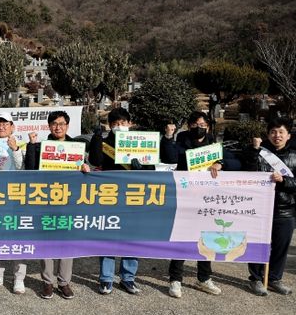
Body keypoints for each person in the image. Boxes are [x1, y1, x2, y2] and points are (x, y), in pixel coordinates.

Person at [160, 111, 240, 298]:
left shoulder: (214, 146)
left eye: (202, 125)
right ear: (189, 126)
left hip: (207, 199)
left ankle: (204, 278)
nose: (199, 128)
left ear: (208, 127)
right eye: (195, 125)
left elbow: (236, 162)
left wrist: (221, 163)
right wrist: (169, 137)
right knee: (182, 237)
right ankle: (175, 279)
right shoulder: (181, 141)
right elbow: (170, 157)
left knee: (207, 238)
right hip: (186, 197)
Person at [25, 110, 90, 300]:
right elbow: (30, 169)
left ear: (67, 126)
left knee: (66, 242)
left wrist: (86, 168)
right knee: (46, 242)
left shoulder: (77, 148)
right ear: (49, 126)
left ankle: (64, 282)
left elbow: (89, 169)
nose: (58, 127)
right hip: (45, 200)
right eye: (54, 123)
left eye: (61, 123)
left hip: (69, 201)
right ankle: (47, 282)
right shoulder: (42, 147)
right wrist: (32, 145)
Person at [88, 107, 146, 295]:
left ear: (130, 124)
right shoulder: (105, 142)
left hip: (134, 195)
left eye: (123, 123)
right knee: (109, 234)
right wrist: (97, 138)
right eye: (115, 124)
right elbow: (95, 160)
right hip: (110, 195)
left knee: (132, 236)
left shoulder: (141, 142)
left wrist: (141, 168)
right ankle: (106, 278)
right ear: (110, 126)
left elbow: (151, 169)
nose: (119, 126)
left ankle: (128, 277)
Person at [243, 117, 295, 296]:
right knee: (258, 244)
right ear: (267, 134)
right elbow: (248, 172)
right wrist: (253, 150)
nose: (277, 135)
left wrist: (284, 181)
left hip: (285, 210)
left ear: (288, 135)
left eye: (281, 132)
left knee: (281, 247)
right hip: (260, 209)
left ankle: (274, 278)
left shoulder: (294, 155)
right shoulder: (259, 152)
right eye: (273, 132)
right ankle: (256, 279)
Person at [0, 112, 27, 294]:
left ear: (12, 126)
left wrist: (15, 149)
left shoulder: (20, 144)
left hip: (15, 197)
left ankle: (19, 278)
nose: (1, 126)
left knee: (18, 238)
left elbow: (22, 167)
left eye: (5, 123)